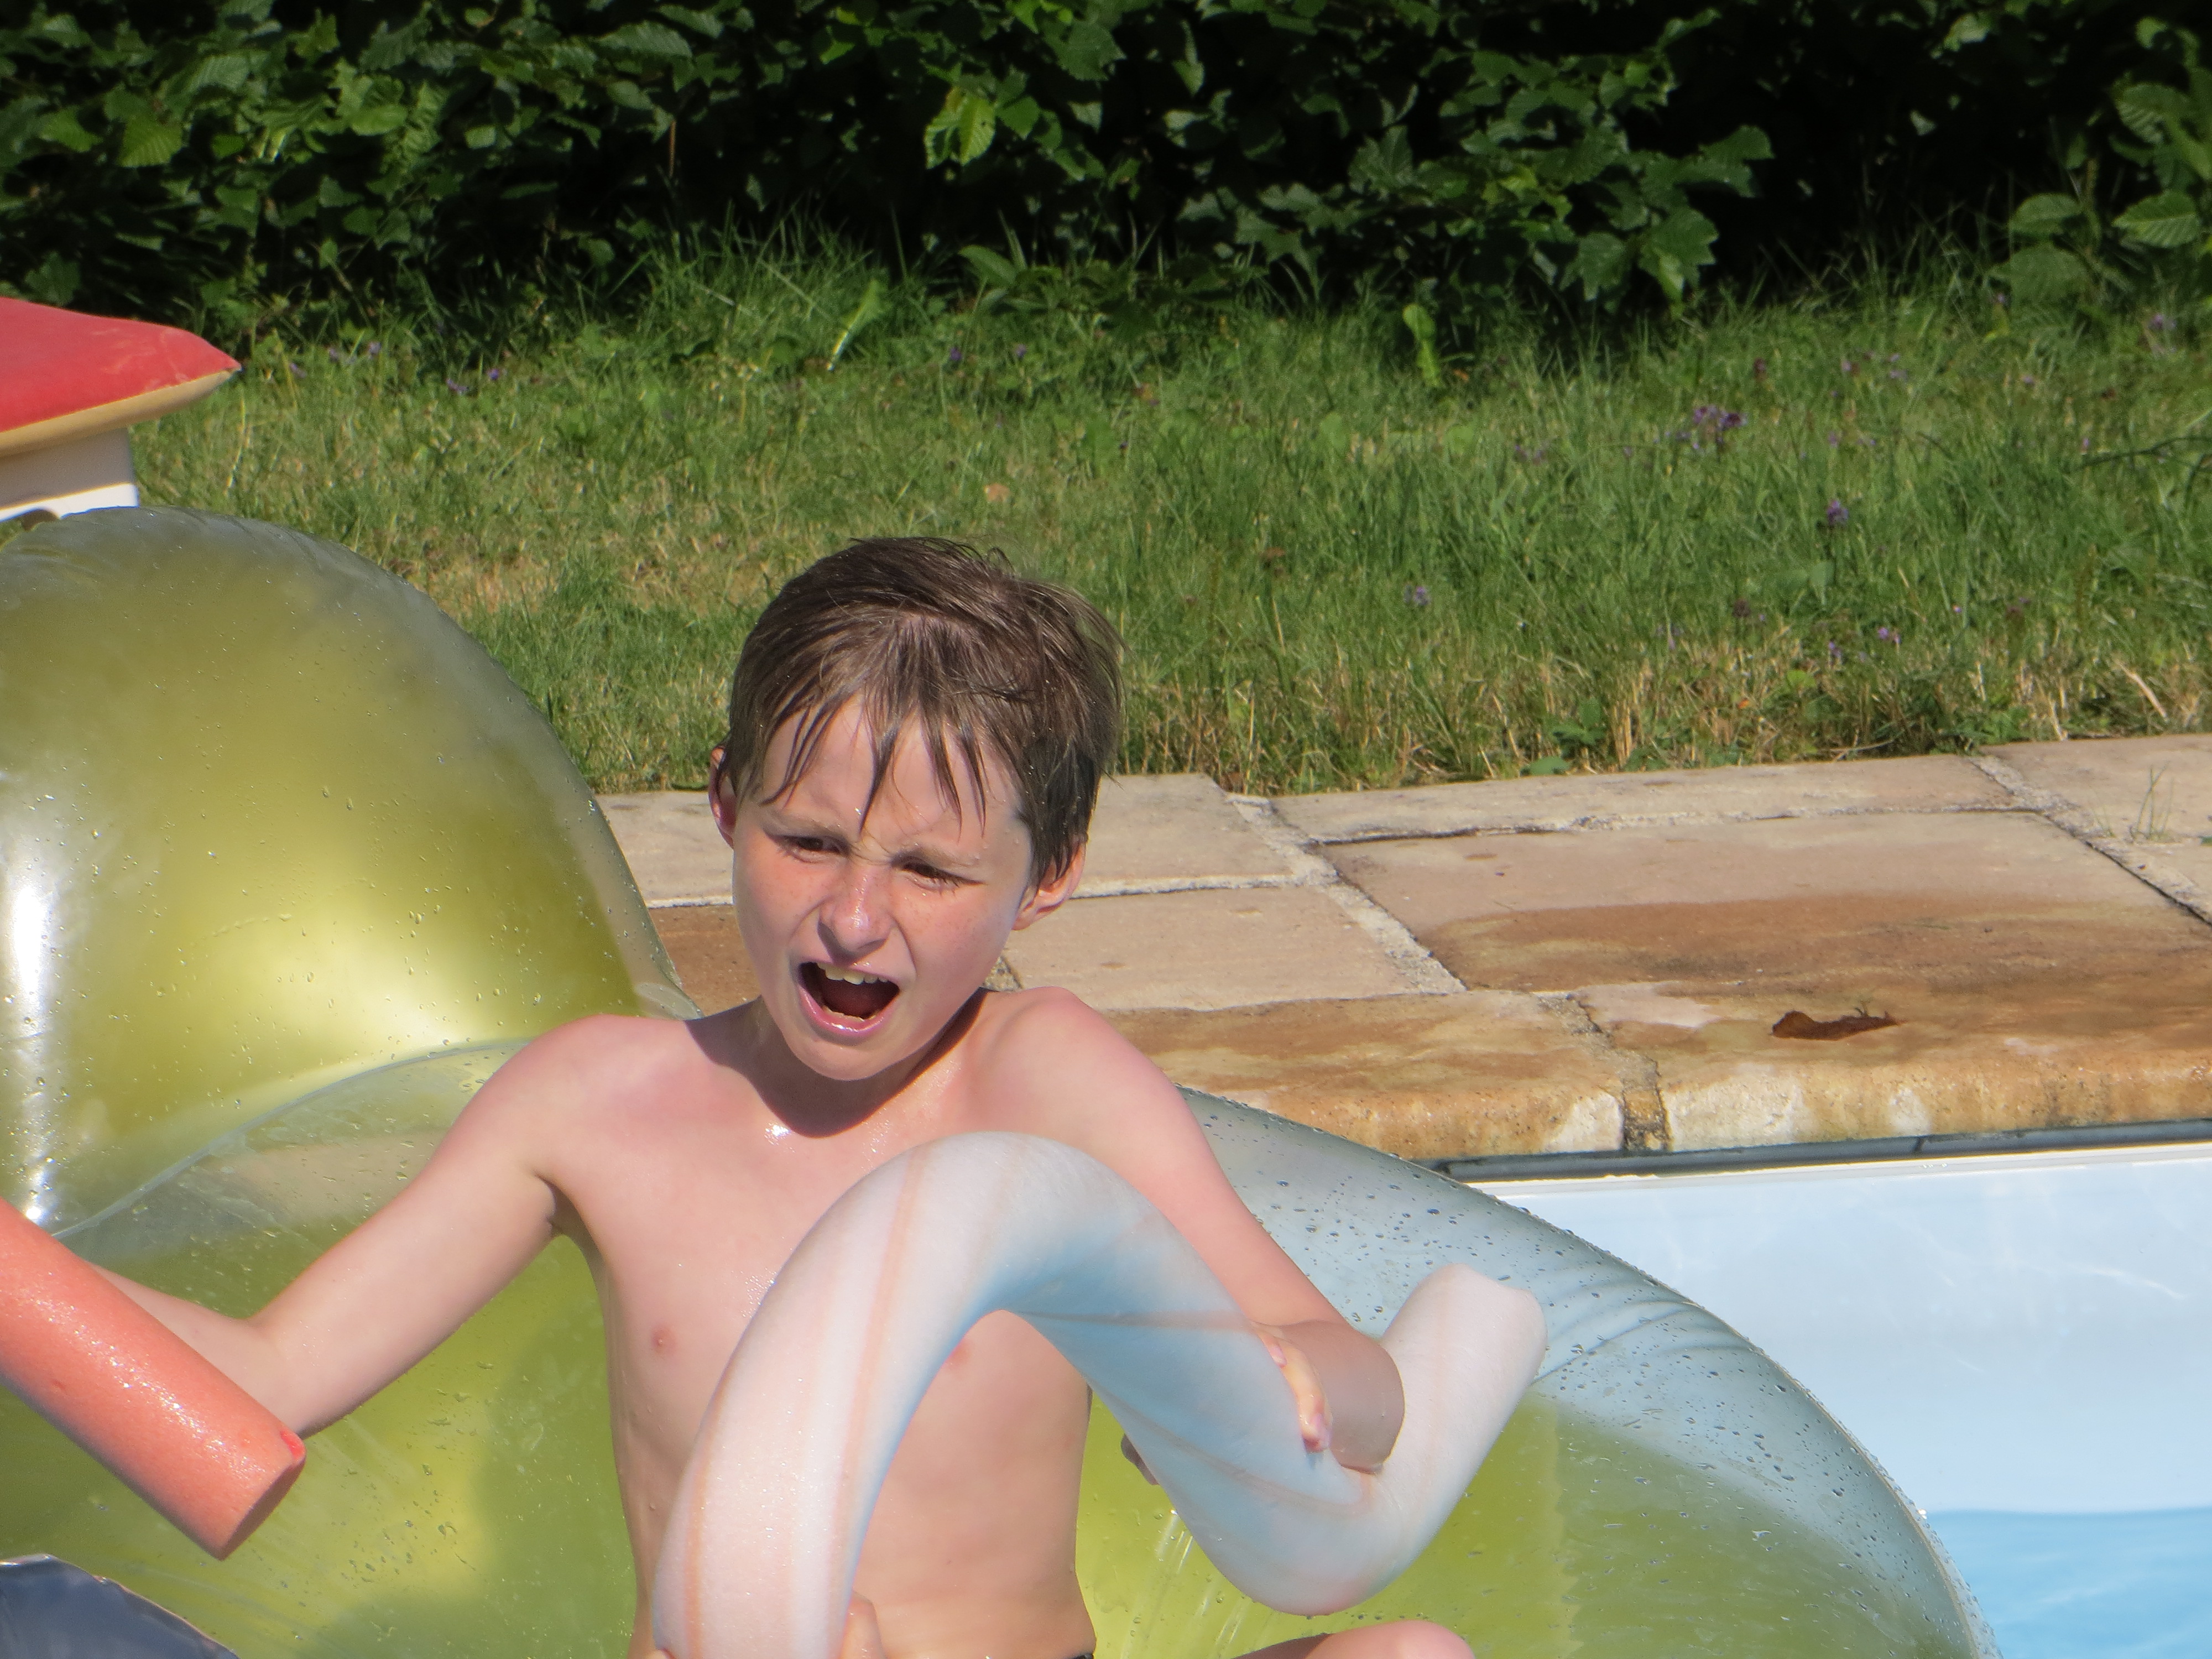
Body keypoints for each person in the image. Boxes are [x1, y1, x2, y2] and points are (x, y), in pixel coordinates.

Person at [101, 539, 1485, 1659]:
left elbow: (1348, 1367)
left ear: (1047, 873)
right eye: (806, 841)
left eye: (929, 873)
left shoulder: (1043, 1086)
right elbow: (266, 1379)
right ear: (722, 804)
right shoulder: (593, 1107)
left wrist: (1293, 1393)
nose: (853, 917)